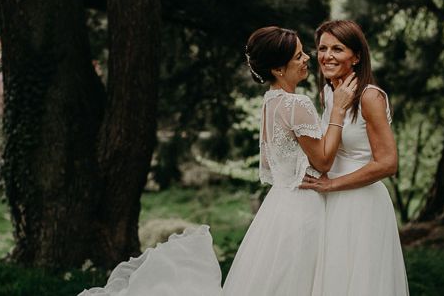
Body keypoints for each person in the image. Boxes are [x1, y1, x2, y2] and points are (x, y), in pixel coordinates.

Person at [79, 25, 356, 296]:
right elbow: (322, 162)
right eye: (298, 56)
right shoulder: (298, 104)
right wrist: (339, 112)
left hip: (279, 204)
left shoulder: (271, 102)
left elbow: (271, 164)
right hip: (303, 206)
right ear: (278, 69)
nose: (308, 58)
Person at [300, 19, 410, 296]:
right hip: (330, 200)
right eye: (322, 48)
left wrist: (332, 185)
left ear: (357, 56)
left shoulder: (369, 97)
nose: (327, 56)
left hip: (360, 202)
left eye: (338, 49)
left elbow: (388, 163)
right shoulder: (329, 93)